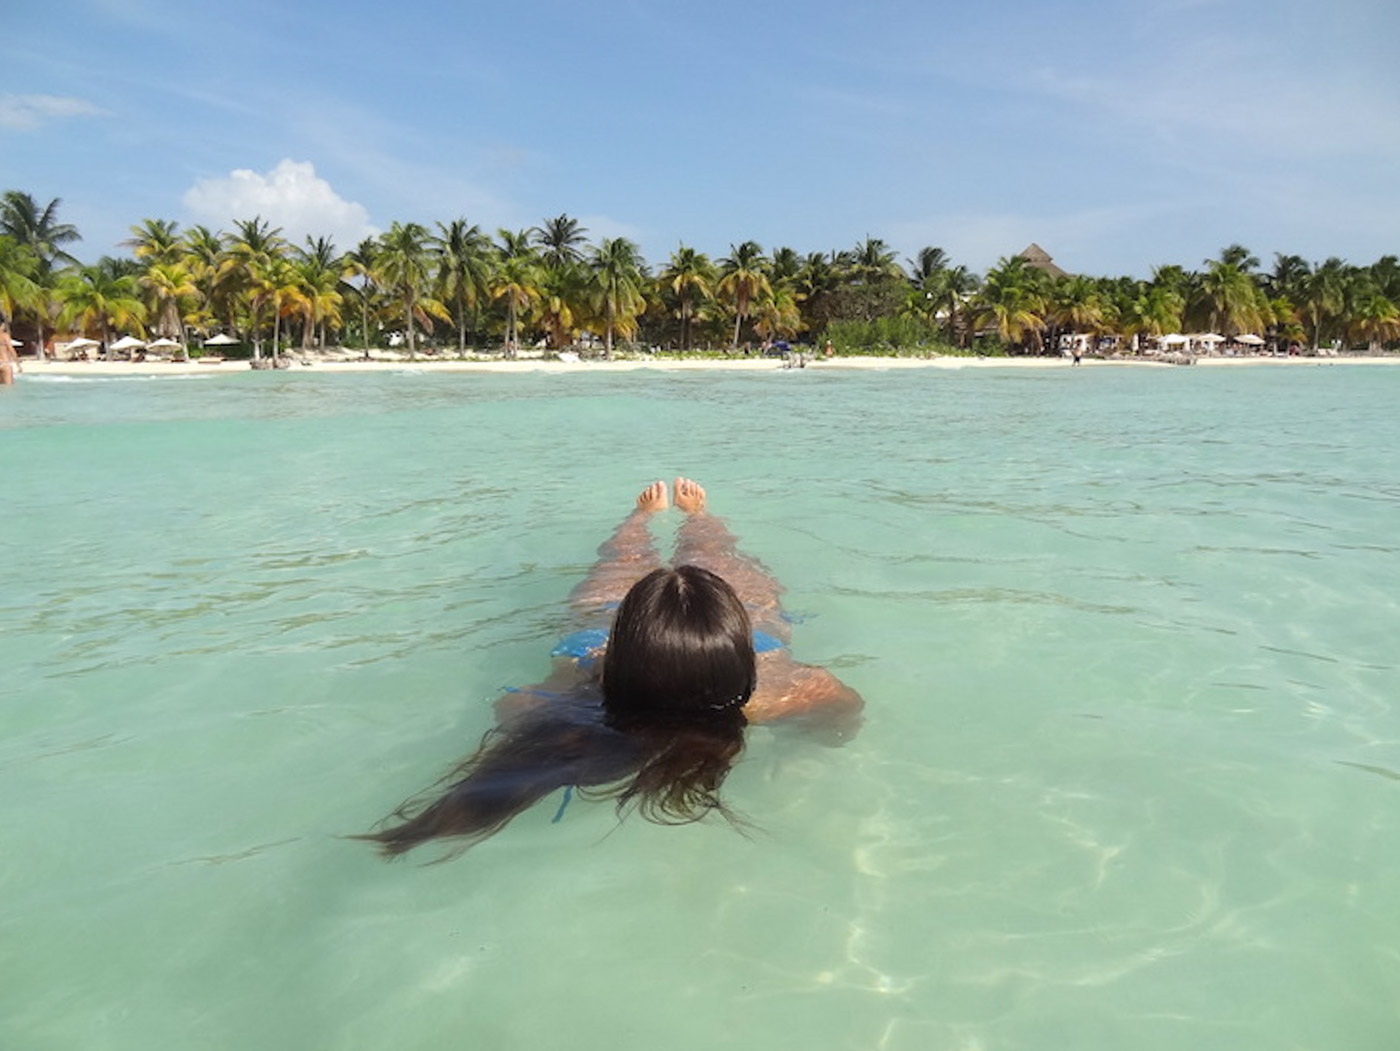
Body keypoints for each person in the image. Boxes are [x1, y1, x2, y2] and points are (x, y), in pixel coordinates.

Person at [361, 478, 862, 859]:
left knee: (621, 560)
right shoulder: (788, 692)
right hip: (716, 635)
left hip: (595, 639)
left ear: (619, 661)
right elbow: (841, 723)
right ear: (744, 667)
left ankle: (637, 522)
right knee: (717, 556)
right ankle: (699, 518)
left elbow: (511, 705)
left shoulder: (576, 697)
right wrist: (785, 740)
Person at [0, 320, 20, 385]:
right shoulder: (5, 336)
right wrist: (18, 365)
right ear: (2, 326)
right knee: (8, 389)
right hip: (5, 363)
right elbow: (11, 350)